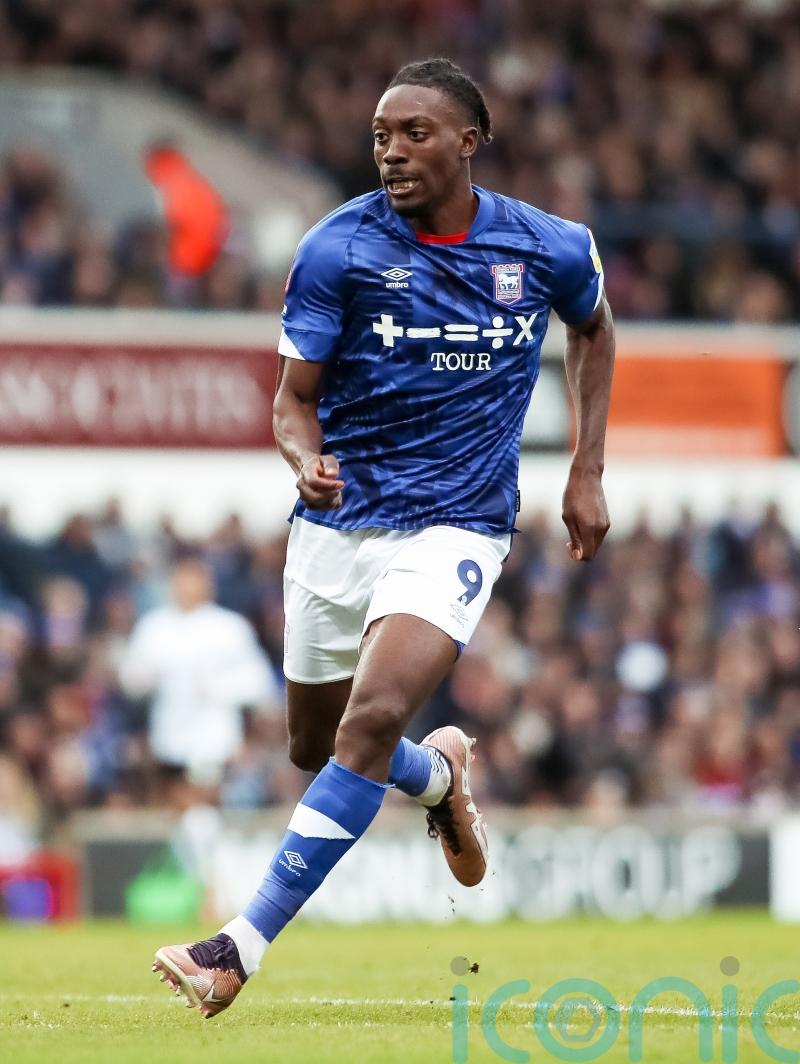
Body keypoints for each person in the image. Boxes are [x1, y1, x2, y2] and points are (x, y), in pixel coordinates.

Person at [153, 57, 614, 1017]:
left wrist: (585, 468)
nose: (392, 152)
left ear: (467, 141)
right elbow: (291, 403)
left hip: (457, 522)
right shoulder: (338, 249)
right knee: (316, 744)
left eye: (413, 133)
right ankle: (439, 775)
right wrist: (302, 458)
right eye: (379, 136)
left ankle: (236, 948)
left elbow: (595, 328)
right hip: (336, 522)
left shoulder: (549, 246)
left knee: (365, 725)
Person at [119, 557, 278, 784]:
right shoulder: (154, 626)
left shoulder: (229, 627)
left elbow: (259, 682)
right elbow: (129, 678)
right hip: (168, 738)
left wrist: (219, 686)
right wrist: (144, 678)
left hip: (217, 739)